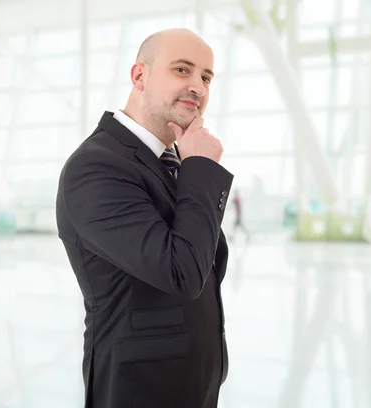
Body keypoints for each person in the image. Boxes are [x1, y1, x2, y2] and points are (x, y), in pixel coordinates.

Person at [55, 28, 234, 408]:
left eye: (206, 77)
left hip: (192, 386)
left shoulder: (172, 164)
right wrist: (201, 168)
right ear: (140, 76)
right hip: (139, 389)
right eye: (182, 70)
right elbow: (181, 273)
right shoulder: (97, 166)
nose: (198, 87)